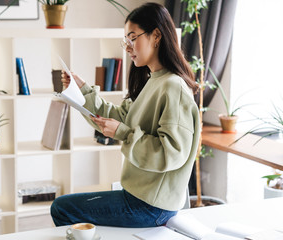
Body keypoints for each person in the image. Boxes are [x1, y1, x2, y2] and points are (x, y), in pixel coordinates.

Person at [50, 2, 200, 228]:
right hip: (140, 196)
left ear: (156, 35)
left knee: (62, 208)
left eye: (132, 38)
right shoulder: (153, 81)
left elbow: (172, 153)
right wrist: (82, 90)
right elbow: (120, 117)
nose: (127, 47)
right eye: (125, 41)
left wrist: (123, 133)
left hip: (152, 205)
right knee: (65, 207)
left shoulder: (173, 87)